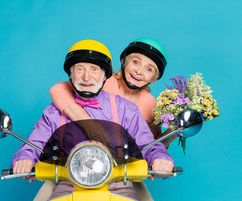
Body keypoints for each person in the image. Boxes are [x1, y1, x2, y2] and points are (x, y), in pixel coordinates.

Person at [11, 40, 174, 201]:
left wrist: (159, 157)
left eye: (94, 69)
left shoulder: (127, 110)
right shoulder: (54, 112)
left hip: (119, 180)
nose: (87, 77)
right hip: (66, 180)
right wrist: (24, 158)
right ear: (70, 74)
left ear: (105, 75)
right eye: (79, 69)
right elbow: (34, 142)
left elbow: (147, 142)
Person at [49, 38, 178, 148]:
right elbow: (57, 90)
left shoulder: (150, 103)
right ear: (124, 61)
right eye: (135, 62)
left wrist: (174, 131)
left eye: (149, 69)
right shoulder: (102, 82)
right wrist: (89, 125)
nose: (139, 71)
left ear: (154, 78)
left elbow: (150, 146)